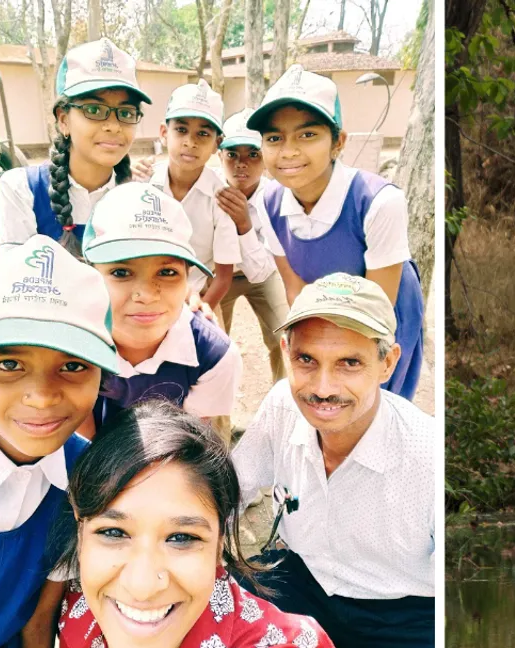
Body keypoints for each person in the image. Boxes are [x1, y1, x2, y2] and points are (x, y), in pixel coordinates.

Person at [0, 237, 119, 648]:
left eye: (72, 366)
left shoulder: (87, 481)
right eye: (9, 365)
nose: (40, 397)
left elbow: (39, 621)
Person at [232, 273, 435, 648]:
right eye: (306, 360)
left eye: (349, 363)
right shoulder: (281, 406)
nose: (323, 388)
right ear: (286, 351)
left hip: (406, 610)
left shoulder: (427, 454)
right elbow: (230, 490)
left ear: (387, 363)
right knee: (214, 638)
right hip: (304, 579)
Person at [53, 400, 343, 648]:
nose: (142, 587)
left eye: (181, 538)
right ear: (81, 531)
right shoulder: (78, 606)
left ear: (219, 543)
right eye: (113, 532)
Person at [248, 64, 423, 401]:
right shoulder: (268, 203)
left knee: (373, 403)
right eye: (274, 138)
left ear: (338, 142)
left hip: (384, 315)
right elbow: (294, 288)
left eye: (307, 135)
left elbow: (378, 310)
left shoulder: (377, 202)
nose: (288, 151)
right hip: (323, 312)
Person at [80, 182, 241, 434]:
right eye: (121, 272)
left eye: (167, 272)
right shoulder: (72, 339)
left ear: (188, 279)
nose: (145, 294)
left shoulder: (212, 355)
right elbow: (79, 445)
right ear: (90, 276)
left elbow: (190, 446)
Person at [0, 38, 150, 259]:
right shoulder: (24, 189)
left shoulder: (142, 195)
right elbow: (15, 277)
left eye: (126, 113)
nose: (114, 126)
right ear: (63, 120)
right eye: (95, 110)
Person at [148, 79, 248, 309]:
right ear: (164, 133)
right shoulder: (144, 187)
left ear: (217, 144)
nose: (190, 142)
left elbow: (223, 277)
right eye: (181, 130)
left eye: (203, 134)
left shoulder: (221, 198)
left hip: (197, 297)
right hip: (147, 294)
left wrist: (199, 313)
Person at [214, 108, 288, 382]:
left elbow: (261, 272)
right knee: (214, 347)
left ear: (266, 159)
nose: (241, 163)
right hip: (217, 276)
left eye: (253, 154)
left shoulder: (276, 197)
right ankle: (219, 425)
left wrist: (244, 225)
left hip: (262, 274)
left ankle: (286, 409)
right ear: (219, 155)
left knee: (286, 338)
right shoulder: (207, 187)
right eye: (232, 154)